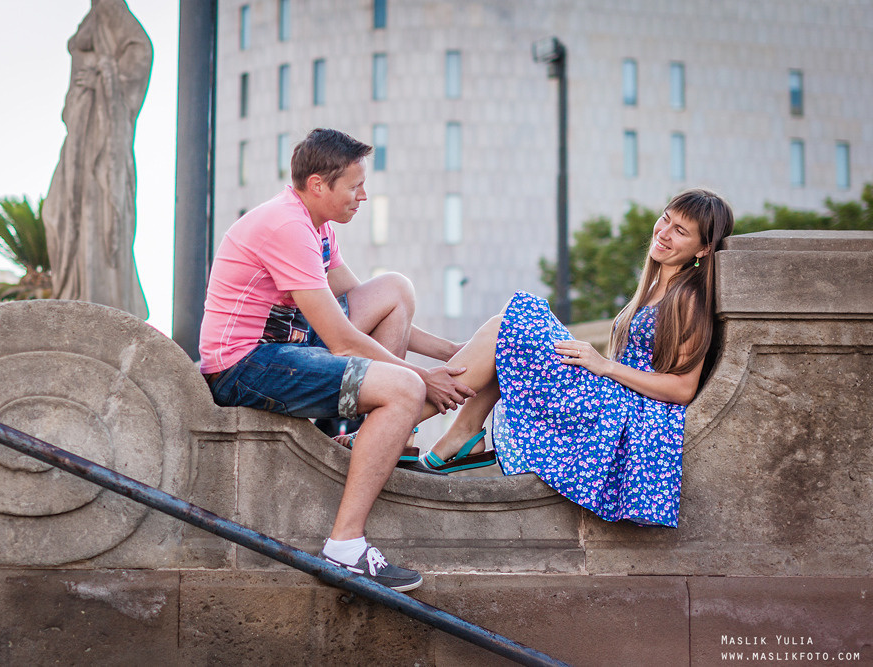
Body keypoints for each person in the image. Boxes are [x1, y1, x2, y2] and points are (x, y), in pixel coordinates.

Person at [199, 128, 474, 591]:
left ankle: (375, 436)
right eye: (355, 186)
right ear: (318, 185)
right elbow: (342, 339)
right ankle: (345, 547)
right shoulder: (286, 226)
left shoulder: (316, 225)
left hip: (288, 345)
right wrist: (421, 378)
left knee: (395, 288)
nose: (363, 196)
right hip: (243, 366)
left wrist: (452, 353)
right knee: (403, 388)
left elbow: (356, 298)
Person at [410, 188, 735, 528]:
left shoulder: (689, 299)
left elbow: (683, 388)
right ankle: (458, 431)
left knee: (518, 316)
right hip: (615, 398)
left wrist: (604, 365)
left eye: (680, 231)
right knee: (506, 331)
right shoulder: (655, 289)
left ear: (703, 248)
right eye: (665, 220)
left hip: (628, 413)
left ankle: (407, 421)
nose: (664, 233)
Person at [44, 0, 152, 319]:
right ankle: (73, 294)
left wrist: (104, 76)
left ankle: (99, 300)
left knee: (100, 215)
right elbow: (69, 103)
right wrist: (83, 87)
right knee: (55, 211)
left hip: (106, 150)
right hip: (77, 142)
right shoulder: (87, 26)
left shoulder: (122, 26)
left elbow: (138, 64)